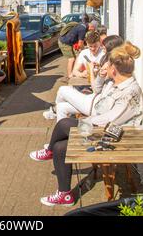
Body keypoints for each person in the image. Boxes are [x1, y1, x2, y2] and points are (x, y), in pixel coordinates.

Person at [30, 41, 143, 207]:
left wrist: (83, 122)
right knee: (61, 147)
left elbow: (110, 119)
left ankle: (48, 151)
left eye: (108, 64)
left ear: (114, 68)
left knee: (64, 125)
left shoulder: (130, 92)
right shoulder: (114, 82)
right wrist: (101, 75)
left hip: (115, 135)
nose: (106, 65)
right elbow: (97, 89)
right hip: (103, 129)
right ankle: (64, 194)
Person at [45, 35, 124, 122]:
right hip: (95, 99)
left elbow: (96, 89)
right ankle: (61, 127)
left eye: (102, 47)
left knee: (62, 89)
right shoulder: (116, 64)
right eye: (91, 46)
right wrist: (88, 74)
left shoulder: (112, 66)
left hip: (95, 105)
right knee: (61, 107)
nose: (95, 49)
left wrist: (93, 71)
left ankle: (53, 111)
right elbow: (76, 72)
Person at [58, 13, 90, 79]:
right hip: (64, 42)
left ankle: (74, 72)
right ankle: (70, 76)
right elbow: (80, 43)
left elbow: (80, 42)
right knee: (71, 59)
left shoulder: (81, 25)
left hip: (69, 42)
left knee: (76, 57)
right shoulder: (83, 29)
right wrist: (84, 50)